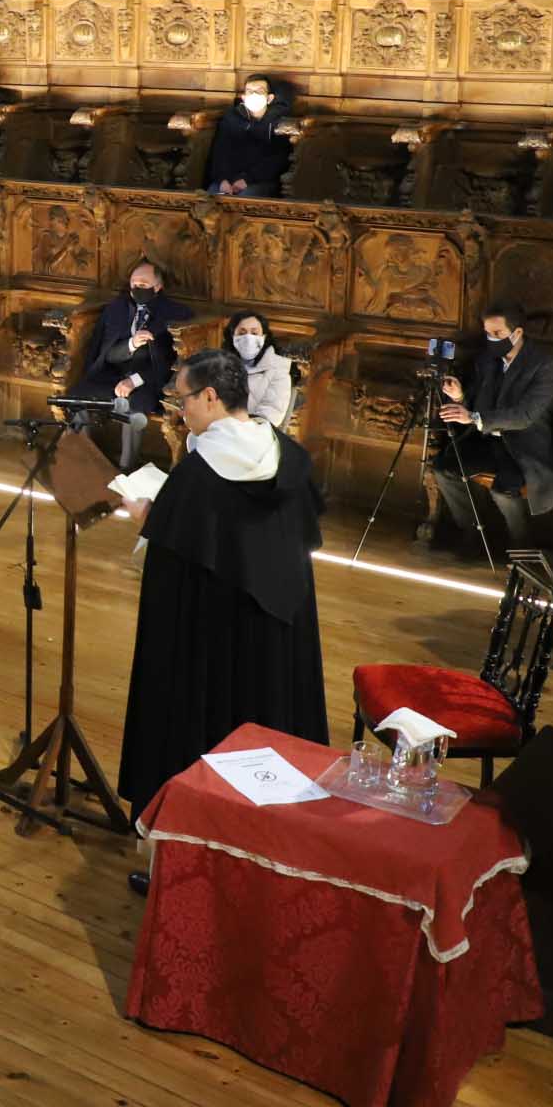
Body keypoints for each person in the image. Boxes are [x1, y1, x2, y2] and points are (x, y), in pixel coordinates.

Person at [119, 349, 327, 893]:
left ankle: (194, 859)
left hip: (212, 643)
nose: (177, 410)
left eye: (181, 399)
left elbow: (179, 560)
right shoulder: (286, 454)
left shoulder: (199, 475)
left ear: (210, 396)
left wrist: (148, 516)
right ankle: (270, 852)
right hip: (277, 635)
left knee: (204, 737)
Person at [424, 299, 553, 555]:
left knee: (505, 491)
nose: (491, 339)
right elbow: (477, 403)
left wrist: (474, 418)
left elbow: (525, 415)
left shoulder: (544, 366)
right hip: (486, 439)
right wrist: (459, 397)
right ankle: (473, 532)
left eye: (497, 334)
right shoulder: (487, 360)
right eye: (488, 333)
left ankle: (521, 547)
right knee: (444, 469)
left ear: (517, 332)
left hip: (523, 447)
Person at [75, 259, 193, 416]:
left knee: (136, 405)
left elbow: (169, 362)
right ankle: (79, 440)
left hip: (148, 381)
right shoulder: (117, 309)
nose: (137, 289)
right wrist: (132, 344)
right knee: (78, 394)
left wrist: (134, 381)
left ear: (157, 287)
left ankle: (127, 442)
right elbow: (109, 355)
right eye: (134, 284)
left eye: (143, 285)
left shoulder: (174, 314)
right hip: (114, 375)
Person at [205, 75, 293, 198]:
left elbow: (278, 159)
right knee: (210, 197)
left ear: (269, 98)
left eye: (259, 91)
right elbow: (220, 153)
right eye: (250, 91)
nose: (254, 95)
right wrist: (222, 180)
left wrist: (247, 179)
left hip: (261, 180)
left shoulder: (280, 123)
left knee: (246, 197)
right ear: (244, 97)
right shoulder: (231, 119)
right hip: (229, 179)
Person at [222, 311, 294, 428]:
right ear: (232, 336)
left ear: (264, 337)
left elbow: (272, 413)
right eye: (242, 332)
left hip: (255, 436)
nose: (248, 338)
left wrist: (239, 428)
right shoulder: (219, 365)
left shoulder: (278, 368)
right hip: (218, 433)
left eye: (254, 333)